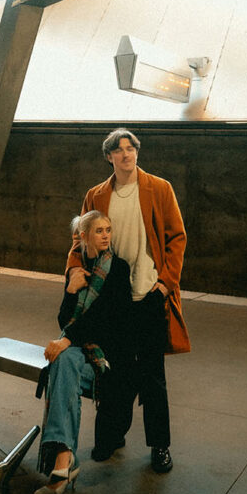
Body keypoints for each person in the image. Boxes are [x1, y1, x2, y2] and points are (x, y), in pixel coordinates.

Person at [66, 128, 189, 474]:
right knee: (112, 374)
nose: (126, 155)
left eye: (130, 148)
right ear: (109, 157)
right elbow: (80, 239)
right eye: (118, 150)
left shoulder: (159, 189)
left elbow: (177, 238)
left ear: (137, 152)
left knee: (152, 378)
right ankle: (110, 437)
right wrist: (75, 270)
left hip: (149, 295)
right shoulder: (96, 195)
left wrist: (165, 285)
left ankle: (160, 447)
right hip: (111, 299)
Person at [34, 210, 131, 494]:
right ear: (84, 236)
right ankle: (64, 462)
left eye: (108, 230)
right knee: (65, 362)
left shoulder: (119, 269)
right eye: (98, 231)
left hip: (108, 355)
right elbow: (65, 320)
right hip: (81, 353)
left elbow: (108, 321)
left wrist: (68, 340)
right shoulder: (77, 270)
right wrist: (71, 289)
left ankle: (62, 462)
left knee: (64, 361)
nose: (105, 235)